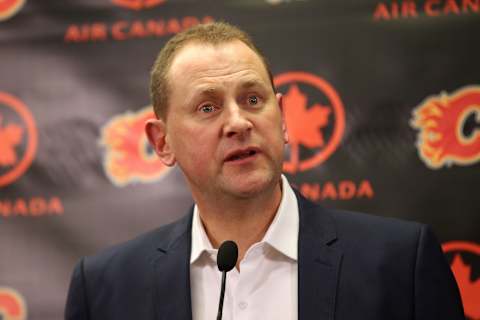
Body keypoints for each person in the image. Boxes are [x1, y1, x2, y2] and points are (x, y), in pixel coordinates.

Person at [65, 22, 464, 320]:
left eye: (253, 99)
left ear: (283, 119)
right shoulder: (105, 290)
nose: (238, 122)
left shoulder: (398, 264)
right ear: (162, 142)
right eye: (208, 107)